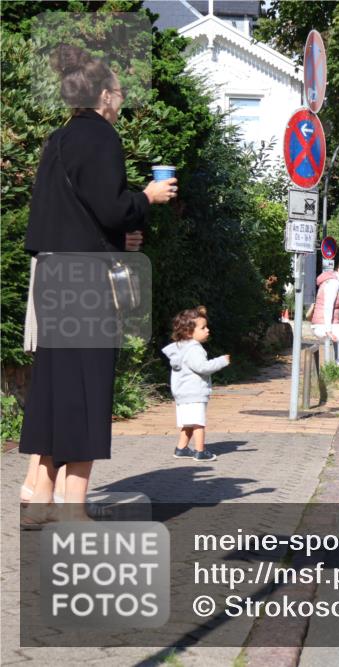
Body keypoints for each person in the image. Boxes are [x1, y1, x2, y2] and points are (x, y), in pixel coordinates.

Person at [19, 44, 176, 526]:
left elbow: (74, 213)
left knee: (54, 386)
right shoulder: (103, 137)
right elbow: (110, 206)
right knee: (87, 388)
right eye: (121, 94)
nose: (122, 102)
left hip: (52, 274)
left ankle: (38, 495)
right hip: (85, 279)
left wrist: (116, 230)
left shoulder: (59, 138)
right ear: (105, 96)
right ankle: (72, 508)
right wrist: (146, 198)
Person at [161, 307, 230, 462]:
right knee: (198, 423)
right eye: (203, 328)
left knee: (188, 423)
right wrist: (221, 361)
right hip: (194, 392)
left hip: (183, 393)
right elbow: (203, 368)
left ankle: (181, 448)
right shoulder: (194, 349)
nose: (207, 330)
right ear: (188, 332)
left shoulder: (180, 348)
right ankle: (200, 451)